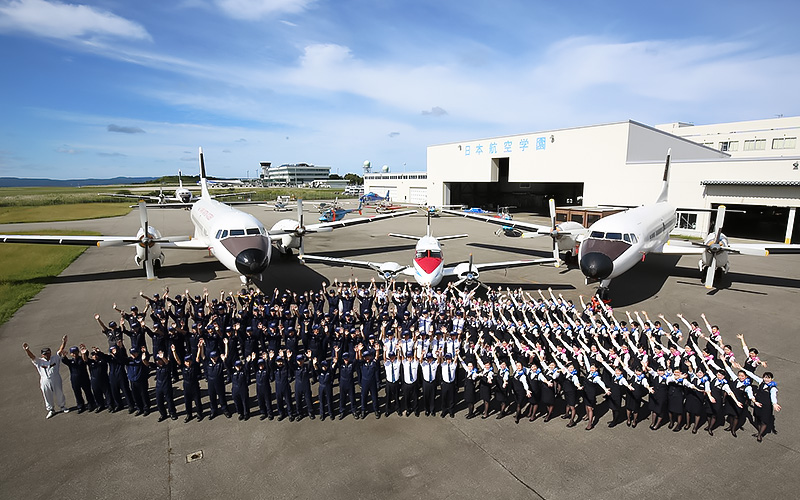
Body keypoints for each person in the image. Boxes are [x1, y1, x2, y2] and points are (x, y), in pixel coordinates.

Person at [23, 337, 69, 419]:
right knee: (47, 394)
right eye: (45, 354)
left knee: (59, 392)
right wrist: (27, 350)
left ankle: (62, 406)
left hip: (56, 378)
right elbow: (32, 357)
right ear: (42, 354)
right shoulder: (39, 361)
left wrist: (64, 342)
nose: (47, 355)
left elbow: (61, 349)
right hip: (45, 380)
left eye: (48, 353)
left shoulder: (55, 358)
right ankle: (51, 409)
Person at [143, 351, 178, 422]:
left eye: (159, 360)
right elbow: (147, 364)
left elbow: (167, 362)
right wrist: (143, 359)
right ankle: (163, 414)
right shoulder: (157, 366)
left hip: (167, 386)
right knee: (159, 401)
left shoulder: (167, 366)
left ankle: (172, 413)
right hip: (159, 386)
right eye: (156, 361)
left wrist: (163, 357)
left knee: (169, 401)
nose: (158, 362)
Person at [61, 344, 96, 413]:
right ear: (71, 354)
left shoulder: (81, 359)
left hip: (84, 378)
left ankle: (91, 404)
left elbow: (85, 357)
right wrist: (64, 356)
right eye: (73, 353)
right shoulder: (71, 361)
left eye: (76, 352)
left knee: (88, 392)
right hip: (75, 380)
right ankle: (80, 406)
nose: (75, 354)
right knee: (77, 393)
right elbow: (64, 360)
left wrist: (84, 351)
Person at [172, 344, 203, 422]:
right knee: (187, 402)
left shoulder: (194, 366)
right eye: (186, 362)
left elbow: (197, 357)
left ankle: (199, 413)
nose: (188, 363)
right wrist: (174, 351)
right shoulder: (183, 367)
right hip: (186, 386)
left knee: (197, 401)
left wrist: (199, 348)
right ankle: (189, 414)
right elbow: (177, 360)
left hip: (194, 385)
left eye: (189, 361)